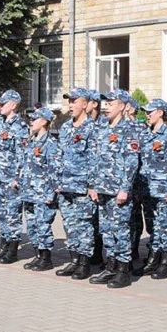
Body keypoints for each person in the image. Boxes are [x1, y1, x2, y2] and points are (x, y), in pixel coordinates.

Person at [86, 90, 140, 288]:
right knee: (106, 230)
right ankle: (110, 266)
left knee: (121, 229)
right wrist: (92, 184)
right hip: (103, 188)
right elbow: (95, 159)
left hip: (118, 190)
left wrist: (125, 188)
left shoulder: (129, 129)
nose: (106, 106)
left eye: (111, 102)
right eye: (105, 102)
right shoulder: (103, 128)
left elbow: (131, 162)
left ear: (123, 106)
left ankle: (123, 270)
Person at [54, 89, 97, 279]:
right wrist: (57, 181)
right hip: (65, 186)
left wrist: (92, 185)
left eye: (74, 101)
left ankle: (84, 263)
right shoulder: (65, 128)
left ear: (85, 104)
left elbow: (96, 159)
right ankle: (74, 260)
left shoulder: (93, 129)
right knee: (70, 224)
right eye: (69, 102)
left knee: (84, 225)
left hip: (82, 187)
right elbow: (59, 156)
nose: (70, 105)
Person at [138, 99, 167, 280]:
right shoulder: (146, 135)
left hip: (164, 190)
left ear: (161, 113)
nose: (147, 115)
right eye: (146, 112)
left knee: (165, 226)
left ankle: (165, 261)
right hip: (148, 189)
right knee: (153, 227)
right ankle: (152, 259)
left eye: (151, 112)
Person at [0, 90, 28, 264]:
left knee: (12, 214)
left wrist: (17, 179)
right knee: (1, 213)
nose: (0, 106)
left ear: (13, 105)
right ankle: (3, 246)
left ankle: (12, 250)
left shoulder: (20, 126)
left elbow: (23, 155)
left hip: (12, 179)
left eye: (3, 104)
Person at [20, 107, 59, 271]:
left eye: (34, 119)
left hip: (43, 193)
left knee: (43, 225)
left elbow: (55, 169)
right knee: (32, 225)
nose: (31, 122)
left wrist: (52, 192)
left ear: (44, 121)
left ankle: (46, 258)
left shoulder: (50, 143)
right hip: (29, 192)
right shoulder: (31, 141)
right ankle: (37, 255)